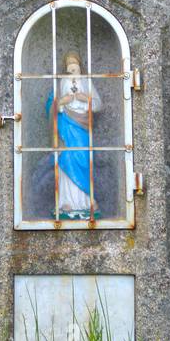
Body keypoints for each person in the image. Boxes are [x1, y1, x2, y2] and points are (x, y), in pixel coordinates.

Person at [45, 49, 102, 218]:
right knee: (66, 159)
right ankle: (65, 201)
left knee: (84, 160)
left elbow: (99, 104)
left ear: (79, 66)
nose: (72, 69)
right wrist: (62, 101)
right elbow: (50, 105)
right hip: (65, 126)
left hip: (82, 128)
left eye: (74, 66)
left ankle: (85, 201)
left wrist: (87, 100)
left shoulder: (86, 81)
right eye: (69, 66)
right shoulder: (61, 82)